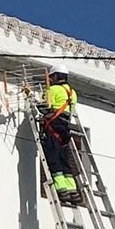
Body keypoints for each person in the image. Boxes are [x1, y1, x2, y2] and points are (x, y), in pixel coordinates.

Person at [39, 63, 79, 203]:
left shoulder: (53, 89)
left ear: (55, 76)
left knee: (53, 157)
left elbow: (45, 106)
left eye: (51, 77)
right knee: (64, 159)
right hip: (65, 127)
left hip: (53, 125)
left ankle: (61, 191)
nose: (50, 79)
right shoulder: (72, 92)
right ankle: (73, 192)